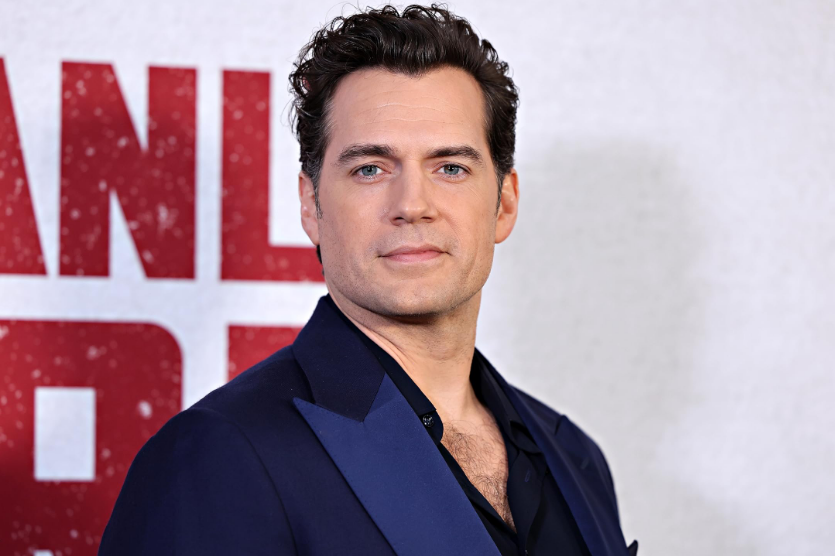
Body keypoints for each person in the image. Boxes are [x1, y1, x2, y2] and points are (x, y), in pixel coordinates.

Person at [99, 4, 637, 555]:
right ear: (310, 204)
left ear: (504, 204)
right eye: (370, 169)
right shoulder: (220, 455)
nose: (413, 204)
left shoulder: (576, 457)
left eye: (451, 167)